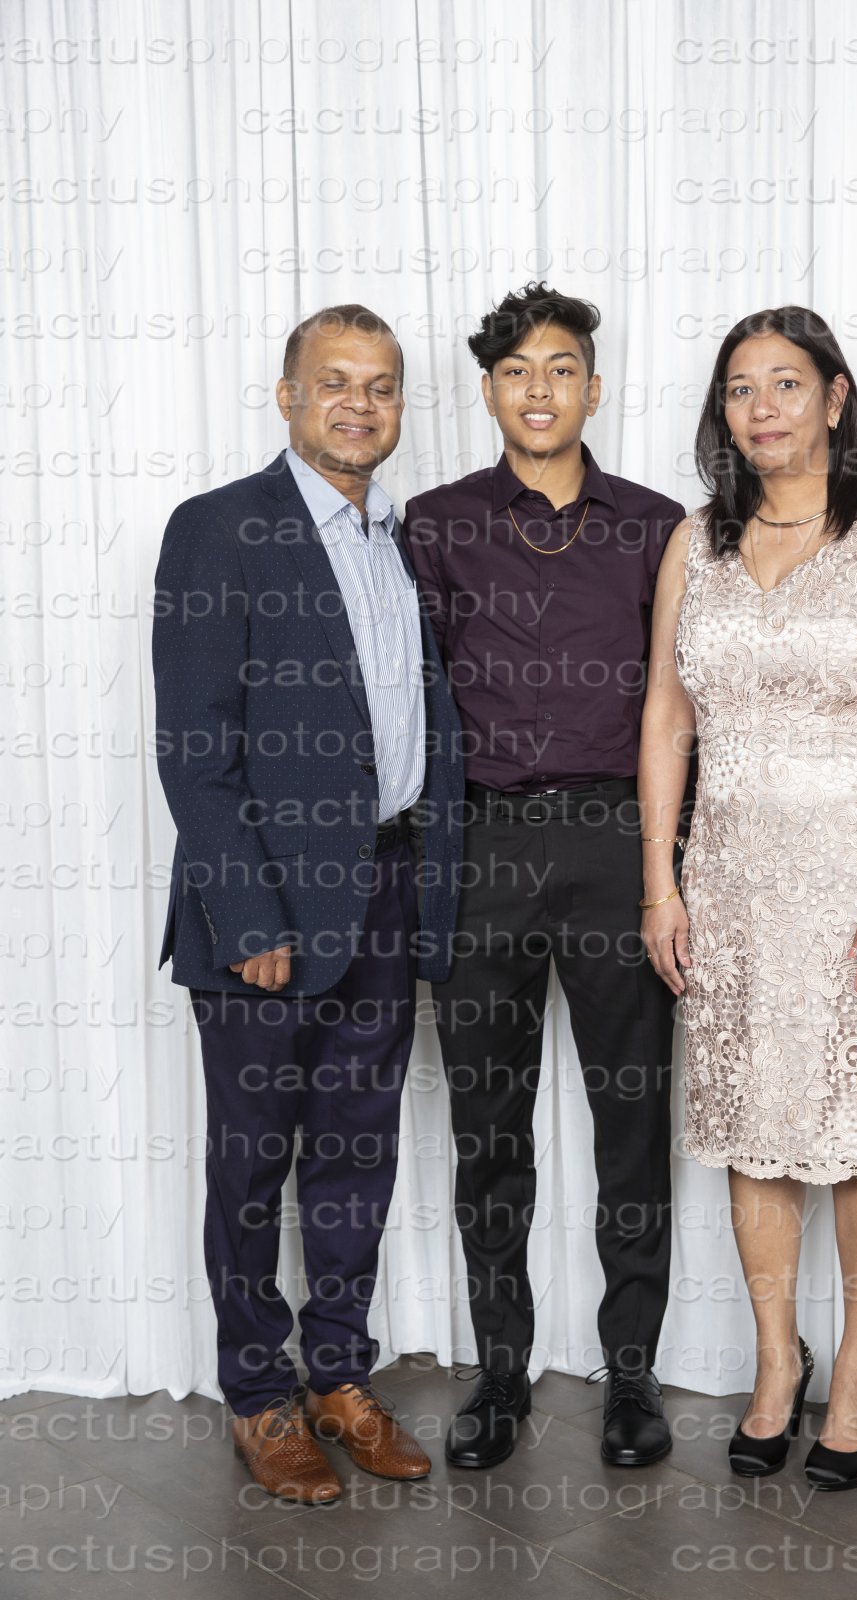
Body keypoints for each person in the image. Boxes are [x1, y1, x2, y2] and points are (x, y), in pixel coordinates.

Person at [638, 306, 857, 1491]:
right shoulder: (695, 543)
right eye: (740, 387)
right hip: (728, 883)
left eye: (786, 382)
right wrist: (659, 881)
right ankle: (777, 1361)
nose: (762, 406)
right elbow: (665, 716)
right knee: (752, 1122)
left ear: (833, 398)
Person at [152, 305, 463, 1503]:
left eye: (379, 386)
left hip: (385, 892)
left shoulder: (397, 541)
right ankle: (257, 1394)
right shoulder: (219, 529)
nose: (358, 404)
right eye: (333, 381)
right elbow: (194, 747)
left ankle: (337, 1374)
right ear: (287, 396)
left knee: (355, 1153)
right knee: (250, 1167)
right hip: (265, 911)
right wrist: (250, 918)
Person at [403, 282, 686, 1469]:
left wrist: (672, 866)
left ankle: (631, 1373)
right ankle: (500, 1371)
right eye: (516, 370)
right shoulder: (434, 524)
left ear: (592, 388)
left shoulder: (657, 526)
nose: (538, 388)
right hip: (482, 851)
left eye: (560, 368)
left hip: (619, 843)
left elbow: (683, 704)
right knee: (488, 1126)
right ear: (486, 391)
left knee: (632, 1117)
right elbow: (407, 701)